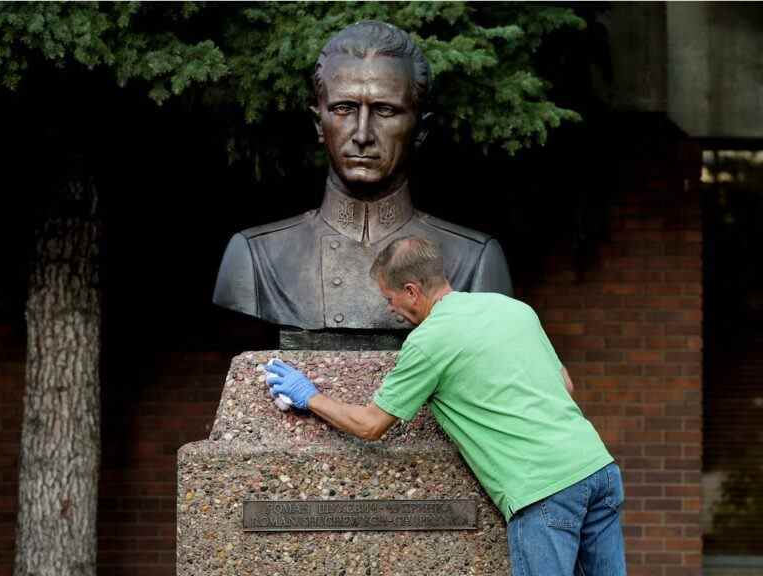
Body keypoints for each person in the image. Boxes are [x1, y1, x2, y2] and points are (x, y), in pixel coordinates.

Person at [265, 236, 627, 575]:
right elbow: (565, 385)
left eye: (389, 298)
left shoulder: (428, 341)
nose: (390, 309)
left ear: (412, 291)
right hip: (597, 468)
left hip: (542, 489)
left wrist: (310, 395)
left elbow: (370, 425)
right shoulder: (512, 309)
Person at [213, 21, 512, 331]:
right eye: (344, 108)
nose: (362, 134)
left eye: (385, 110)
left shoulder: (474, 261)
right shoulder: (258, 258)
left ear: (420, 130)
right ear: (319, 123)